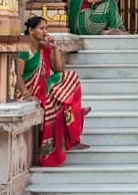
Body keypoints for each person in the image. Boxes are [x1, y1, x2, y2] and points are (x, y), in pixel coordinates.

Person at [18, 16, 88, 166]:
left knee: (71, 77)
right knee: (55, 105)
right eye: (41, 28)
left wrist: (55, 48)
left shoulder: (43, 47)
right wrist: (27, 95)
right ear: (31, 30)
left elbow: (59, 69)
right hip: (29, 90)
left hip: (44, 87)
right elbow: (17, 77)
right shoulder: (24, 50)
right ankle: (52, 150)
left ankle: (74, 111)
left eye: (46, 29)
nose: (45, 32)